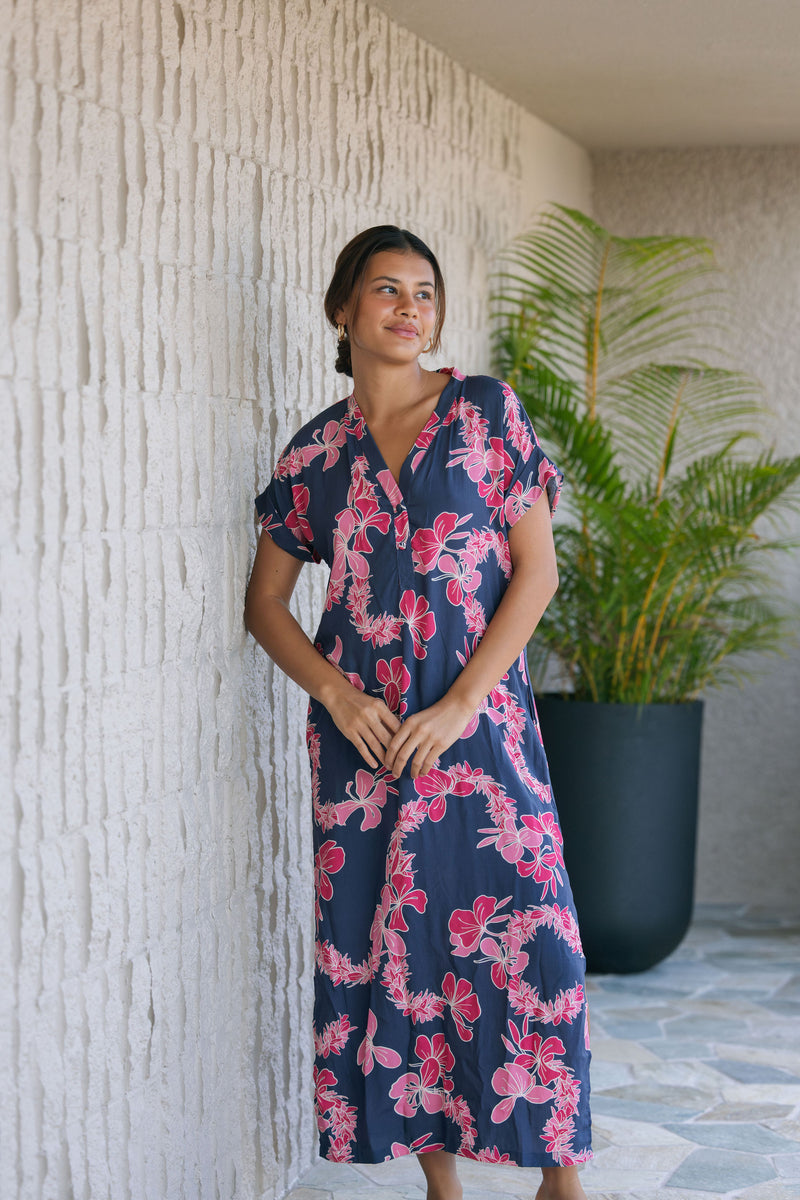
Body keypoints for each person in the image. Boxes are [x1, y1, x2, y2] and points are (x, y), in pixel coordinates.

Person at [245, 226, 592, 1200]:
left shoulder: (484, 414)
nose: (407, 307)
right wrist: (335, 692)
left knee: (535, 940)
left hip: (481, 738)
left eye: (424, 292)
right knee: (388, 951)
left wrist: (462, 703)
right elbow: (263, 604)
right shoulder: (315, 454)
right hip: (364, 755)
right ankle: (439, 1184)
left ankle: (559, 1177)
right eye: (385, 290)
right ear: (342, 311)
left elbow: (536, 571)